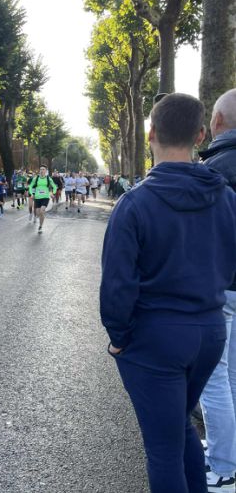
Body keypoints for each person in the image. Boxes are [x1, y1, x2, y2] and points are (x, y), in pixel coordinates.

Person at [100, 93, 236, 493]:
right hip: (210, 331)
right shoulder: (226, 198)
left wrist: (118, 338)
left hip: (155, 338)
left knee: (162, 450)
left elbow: (117, 285)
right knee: (179, 427)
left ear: (151, 133)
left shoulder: (134, 204)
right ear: (200, 134)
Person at [198, 88, 236, 492]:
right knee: (233, 375)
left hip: (222, 287)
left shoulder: (216, 168)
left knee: (213, 376)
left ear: (218, 122)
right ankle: (229, 451)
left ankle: (224, 468)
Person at [29, 165, 57, 234]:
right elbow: (30, 186)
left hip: (45, 197)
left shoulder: (48, 178)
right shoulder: (36, 178)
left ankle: (40, 226)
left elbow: (54, 186)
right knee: (38, 213)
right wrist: (31, 194)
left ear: (46, 171)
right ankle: (40, 218)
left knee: (42, 211)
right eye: (41, 169)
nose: (41, 171)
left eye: (43, 169)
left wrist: (53, 193)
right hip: (37, 197)